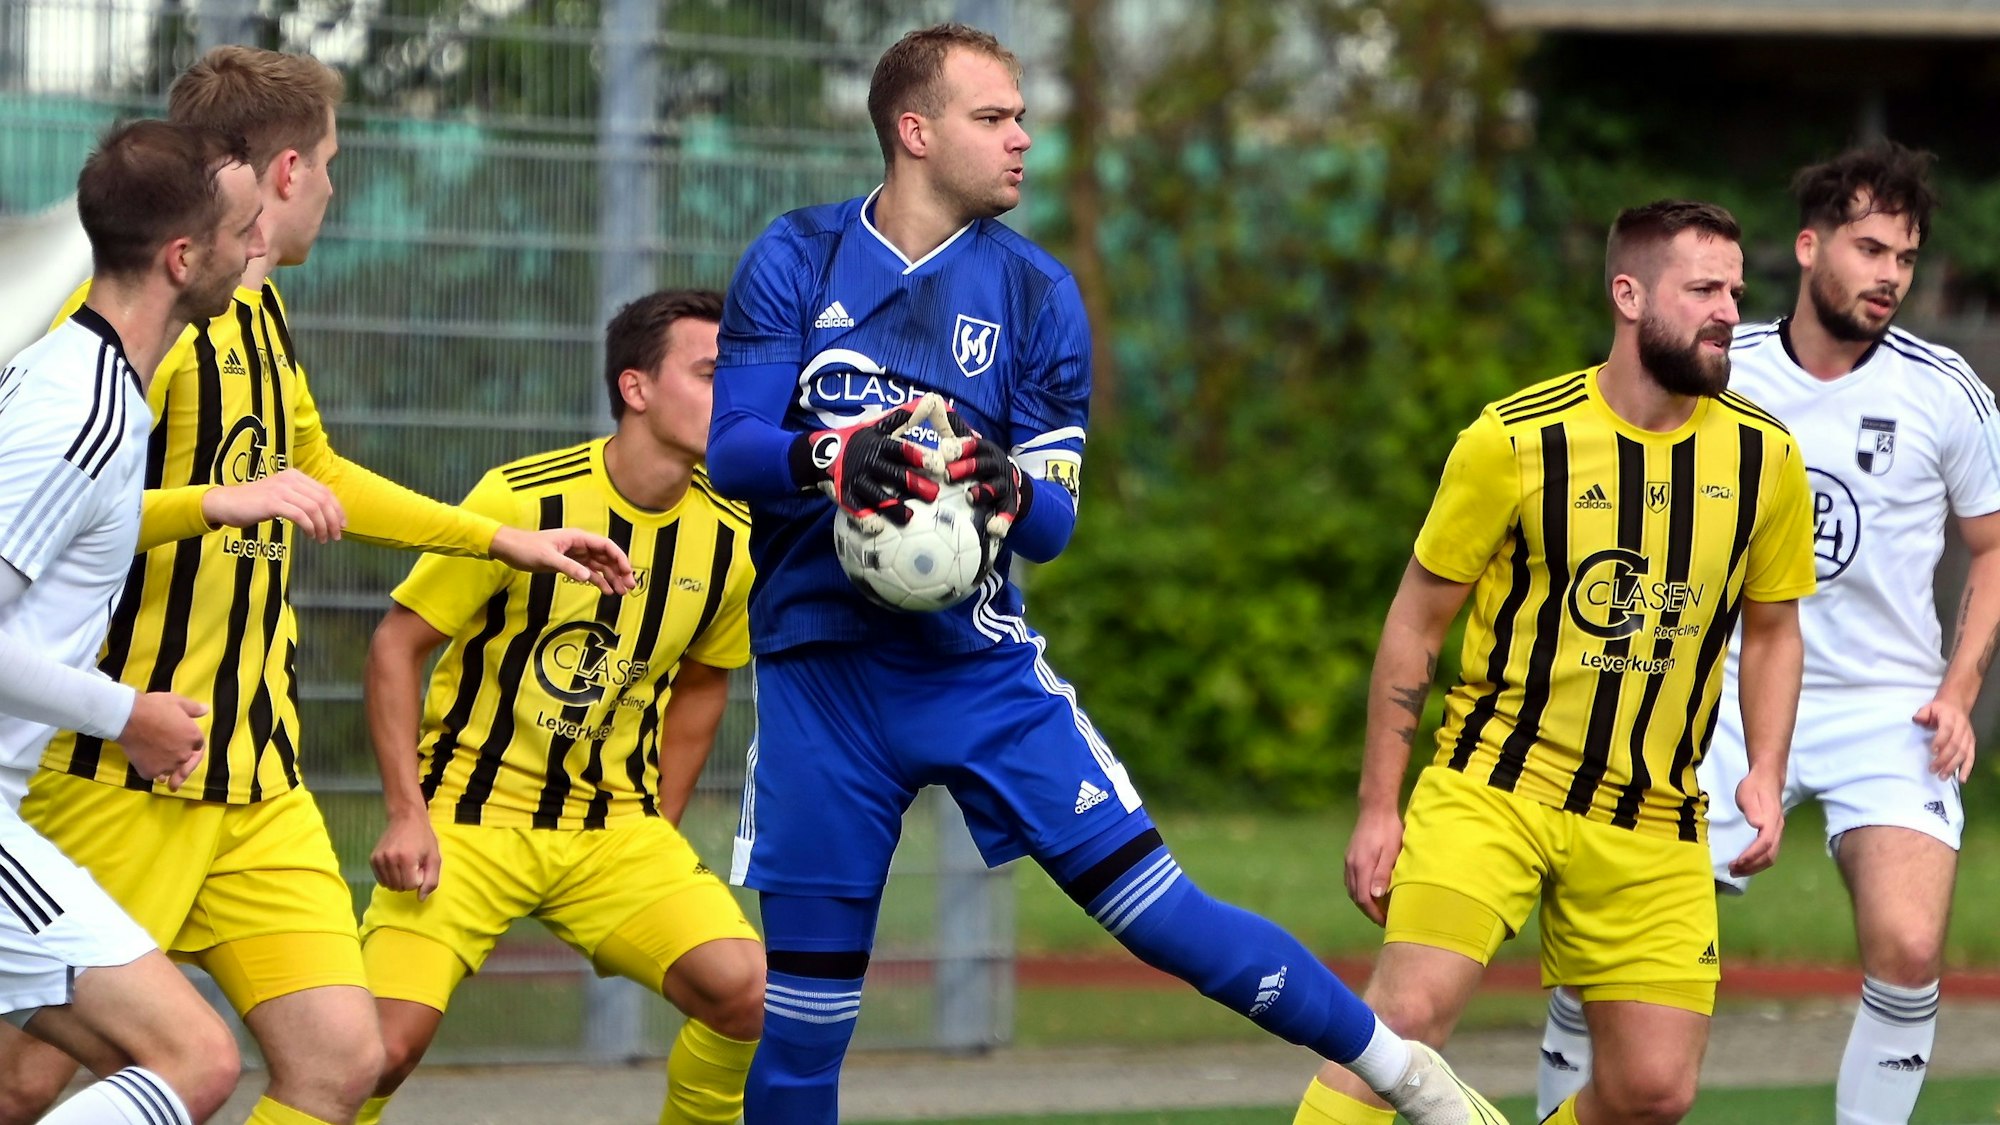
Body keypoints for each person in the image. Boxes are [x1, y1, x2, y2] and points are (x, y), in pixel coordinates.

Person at [706, 22, 1504, 1125]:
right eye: (994, 119)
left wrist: (1004, 486)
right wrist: (831, 455)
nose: (1023, 140)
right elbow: (733, 446)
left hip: (972, 675)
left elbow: (1054, 526)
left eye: (1023, 117)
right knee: (802, 1030)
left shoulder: (1037, 294)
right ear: (915, 130)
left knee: (1162, 915)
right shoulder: (794, 258)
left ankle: (1402, 1072)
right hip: (819, 683)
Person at [0, 48, 635, 1125]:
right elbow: (75, 506)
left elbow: (315, 474)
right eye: (332, 163)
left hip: (255, 773)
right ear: (286, 170)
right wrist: (211, 504)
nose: (335, 190)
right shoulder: (130, 335)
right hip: (123, 769)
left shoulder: (252, 314)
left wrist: (497, 539)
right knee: (33, 1083)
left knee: (339, 1060)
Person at [1291, 199, 1819, 1125]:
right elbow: (1416, 623)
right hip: (1498, 782)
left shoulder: (1765, 458)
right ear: (1629, 294)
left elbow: (1774, 628)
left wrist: (1767, 770)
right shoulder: (1514, 439)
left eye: (1736, 289)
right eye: (1702, 288)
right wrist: (1381, 803)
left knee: (1657, 1090)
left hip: (1654, 812)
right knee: (1400, 1024)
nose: (1730, 311)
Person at [1535, 144, 2000, 1125]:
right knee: (1609, 950)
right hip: (1718, 706)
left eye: (1903, 258)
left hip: (1887, 707)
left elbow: (1991, 547)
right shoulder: (1715, 365)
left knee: (1910, 946)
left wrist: (1956, 691)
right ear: (1805, 246)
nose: (1886, 275)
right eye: (1867, 247)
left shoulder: (1943, 390)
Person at [352, 289, 764, 1125]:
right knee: (371, 1056)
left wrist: (659, 823)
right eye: (713, 372)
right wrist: (406, 813)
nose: (737, 396)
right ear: (636, 388)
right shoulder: (520, 501)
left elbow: (706, 681)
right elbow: (396, 647)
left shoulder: (734, 537)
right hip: (465, 818)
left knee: (751, 994)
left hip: (612, 827)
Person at [0, 120, 260, 1125]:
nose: (256, 251)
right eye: (242, 233)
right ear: (184, 258)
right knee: (192, 1058)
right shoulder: (83, 409)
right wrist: (128, 714)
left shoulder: (83, 381)